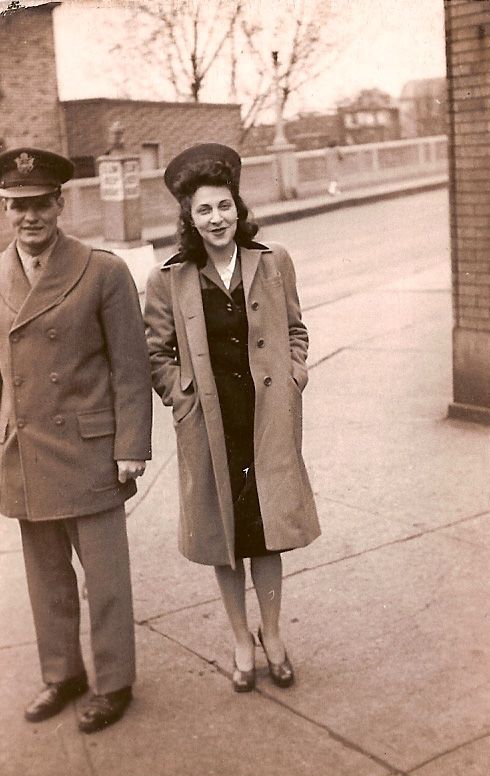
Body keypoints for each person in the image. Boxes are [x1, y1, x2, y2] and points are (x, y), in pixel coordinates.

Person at [144, 143, 320, 692]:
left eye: (223, 207)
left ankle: (273, 635)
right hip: (211, 423)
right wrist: (183, 397)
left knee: (267, 532)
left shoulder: (273, 261)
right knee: (225, 536)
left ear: (237, 209)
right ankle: (241, 639)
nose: (216, 220)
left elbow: (295, 329)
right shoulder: (168, 279)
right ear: (189, 219)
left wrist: (294, 375)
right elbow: (156, 353)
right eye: (204, 211)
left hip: (265, 418)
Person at [0, 148, 152, 732]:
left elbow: (131, 368)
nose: (29, 217)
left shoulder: (102, 270)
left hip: (90, 449)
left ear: (60, 204)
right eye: (17, 205)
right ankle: (62, 674)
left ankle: (114, 683)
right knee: (45, 578)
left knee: (106, 579)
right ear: (5, 208)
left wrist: (130, 445)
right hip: (26, 448)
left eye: (40, 203)